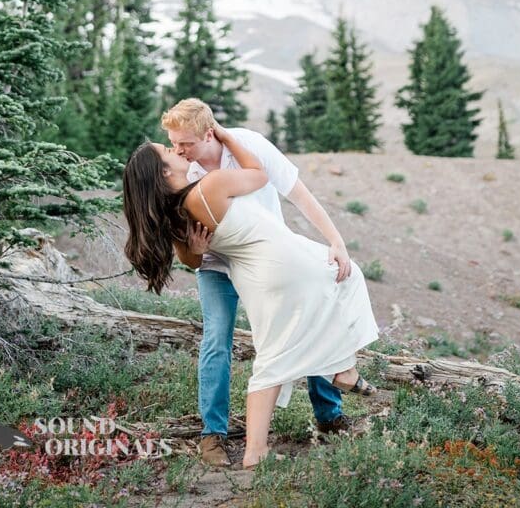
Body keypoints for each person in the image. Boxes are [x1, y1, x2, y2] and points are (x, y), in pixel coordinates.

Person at [122, 121, 380, 468]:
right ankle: (213, 434)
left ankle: (326, 414)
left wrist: (335, 239)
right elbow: (191, 254)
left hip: (258, 262)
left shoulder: (239, 148)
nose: (180, 150)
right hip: (233, 264)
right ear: (165, 170)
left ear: (207, 134)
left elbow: (296, 191)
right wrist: (197, 250)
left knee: (298, 323)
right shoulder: (193, 183)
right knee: (221, 338)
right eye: (172, 147)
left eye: (182, 144)